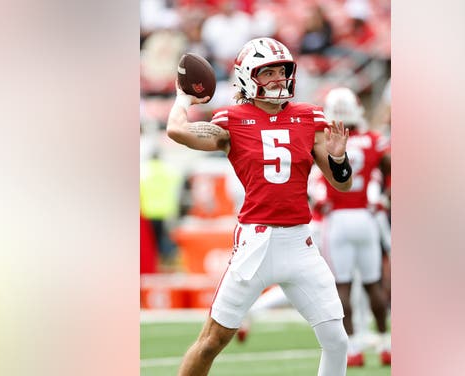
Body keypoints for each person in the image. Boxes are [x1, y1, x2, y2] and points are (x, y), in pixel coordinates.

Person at [167, 37, 354, 376]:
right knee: (212, 341)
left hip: (300, 241)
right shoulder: (232, 120)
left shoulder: (310, 117)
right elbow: (176, 131)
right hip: (257, 241)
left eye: (282, 71)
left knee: (337, 341)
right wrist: (183, 98)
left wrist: (339, 158)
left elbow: (342, 183)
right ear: (247, 77)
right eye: (267, 72)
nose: (278, 79)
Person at [320, 87, 392, 367]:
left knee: (343, 285)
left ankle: (354, 348)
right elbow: (389, 165)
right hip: (366, 217)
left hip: (338, 219)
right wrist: (385, 196)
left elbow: (315, 181)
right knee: (374, 283)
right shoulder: (373, 140)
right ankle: (386, 343)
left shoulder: (325, 141)